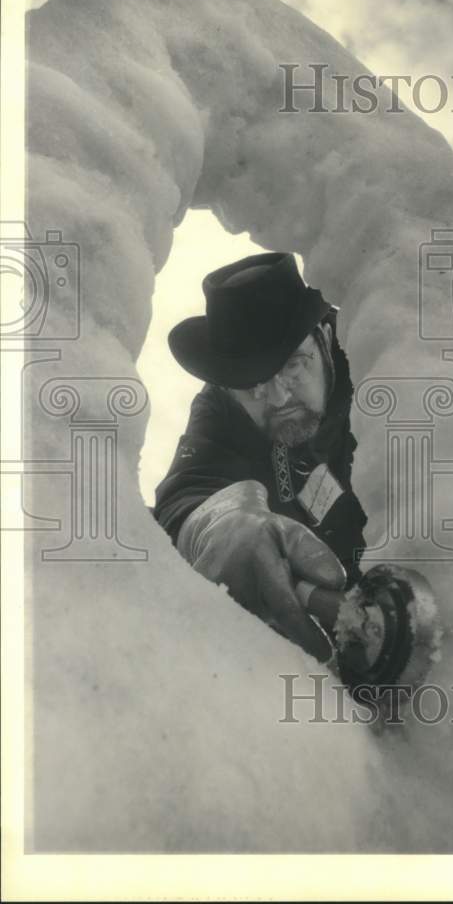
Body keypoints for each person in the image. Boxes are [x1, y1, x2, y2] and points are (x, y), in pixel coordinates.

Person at [153, 252, 368, 662]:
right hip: (317, 612)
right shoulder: (221, 408)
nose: (278, 397)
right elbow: (188, 490)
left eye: (292, 367)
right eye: (252, 385)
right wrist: (222, 524)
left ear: (324, 337)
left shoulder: (375, 360)